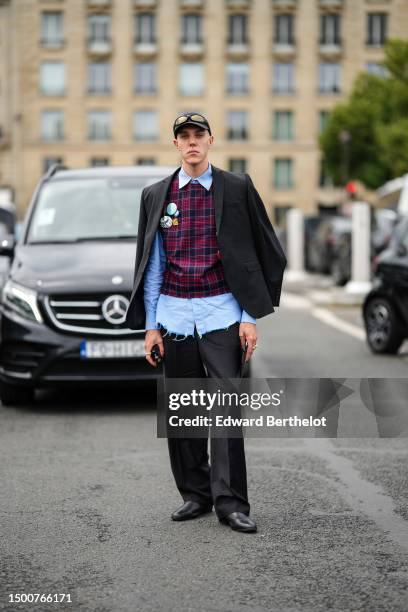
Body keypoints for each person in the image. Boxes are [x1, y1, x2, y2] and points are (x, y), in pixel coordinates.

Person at [126, 113, 286, 533]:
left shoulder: (236, 188)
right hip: (175, 314)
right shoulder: (156, 195)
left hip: (222, 315)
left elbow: (263, 250)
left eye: (199, 135)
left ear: (211, 141)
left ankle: (231, 503)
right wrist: (152, 325)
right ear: (176, 144)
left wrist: (251, 317)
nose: (192, 143)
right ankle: (195, 494)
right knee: (183, 410)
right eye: (184, 137)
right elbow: (151, 266)